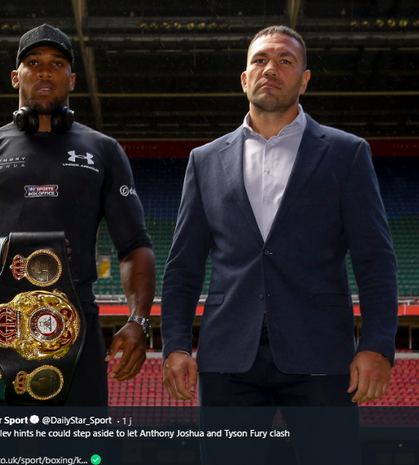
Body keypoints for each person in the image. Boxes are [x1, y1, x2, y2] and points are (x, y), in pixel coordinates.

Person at [161, 25, 398, 463]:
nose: (271, 69)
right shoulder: (205, 159)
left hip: (322, 355)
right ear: (244, 78)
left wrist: (377, 345)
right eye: (260, 61)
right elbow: (183, 267)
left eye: (286, 61)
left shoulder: (347, 153)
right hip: (228, 356)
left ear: (304, 79)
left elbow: (376, 261)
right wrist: (175, 345)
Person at [0, 23, 155, 406]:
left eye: (57, 63)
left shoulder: (104, 151)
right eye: (33, 62)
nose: (45, 71)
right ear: (16, 76)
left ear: (72, 79)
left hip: (76, 329)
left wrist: (138, 320)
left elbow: (135, 245)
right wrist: (17, 253)